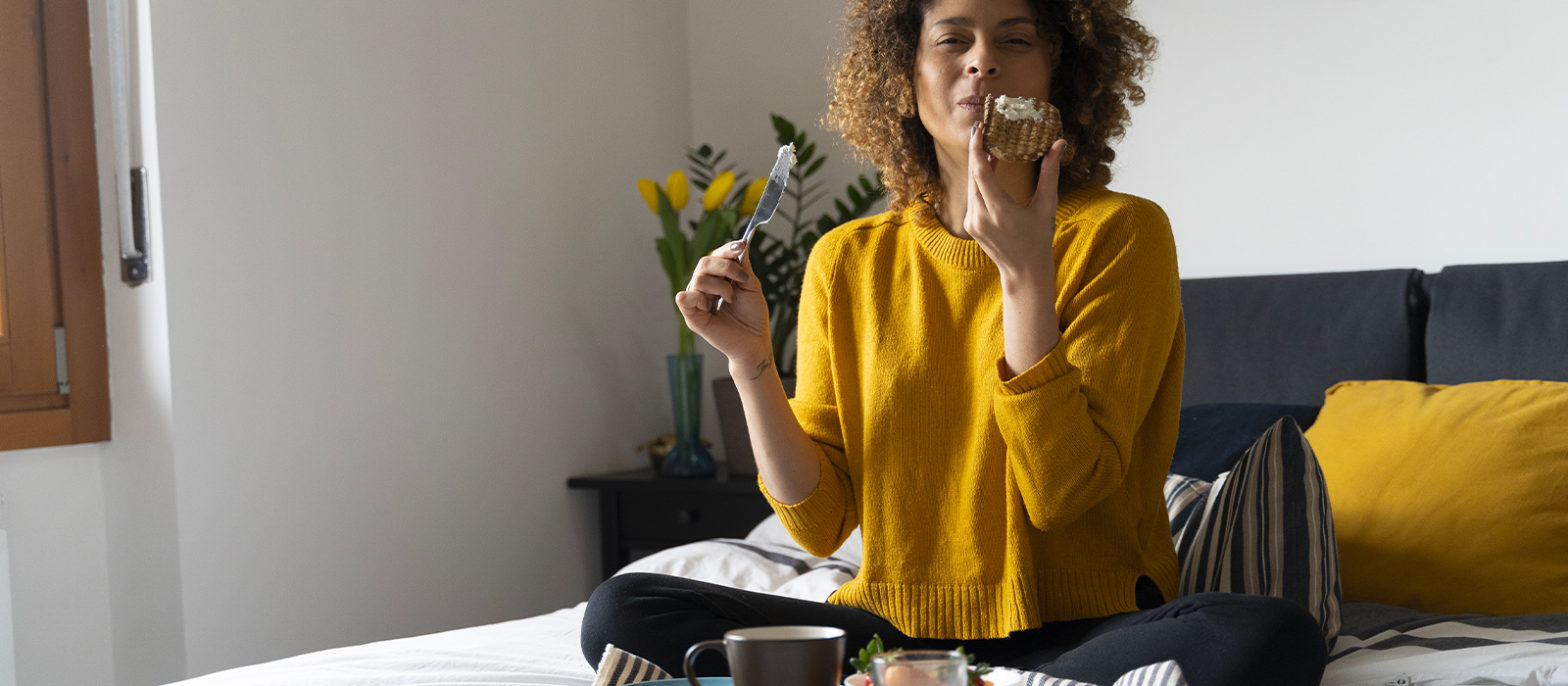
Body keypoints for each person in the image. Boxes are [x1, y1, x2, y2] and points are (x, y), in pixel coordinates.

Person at [583, 1, 1328, 684]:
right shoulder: (848, 259)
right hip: (893, 635)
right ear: (905, 77)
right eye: (953, 40)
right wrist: (750, 364)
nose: (982, 60)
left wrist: (1026, 273)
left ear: (1060, 71)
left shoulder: (1119, 234)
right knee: (624, 612)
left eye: (1015, 39)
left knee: (1269, 635)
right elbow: (817, 523)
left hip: (1084, 630)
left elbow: (1064, 492)